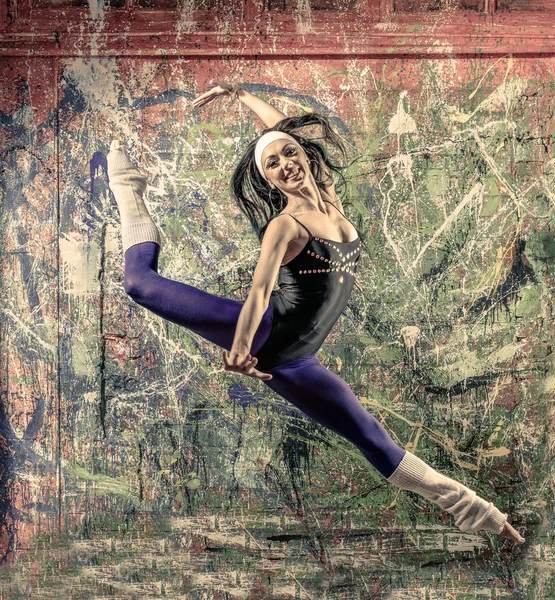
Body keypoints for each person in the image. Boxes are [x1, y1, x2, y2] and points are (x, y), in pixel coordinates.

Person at [106, 80, 525, 545]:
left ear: (305, 154)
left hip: (298, 363)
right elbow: (260, 291)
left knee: (375, 443)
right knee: (139, 284)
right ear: (267, 180)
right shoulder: (286, 226)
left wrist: (238, 93)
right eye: (273, 164)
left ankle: (484, 516)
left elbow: (280, 131)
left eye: (290, 154)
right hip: (266, 333)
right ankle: (128, 189)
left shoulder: (329, 196)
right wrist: (241, 350)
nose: (286, 165)